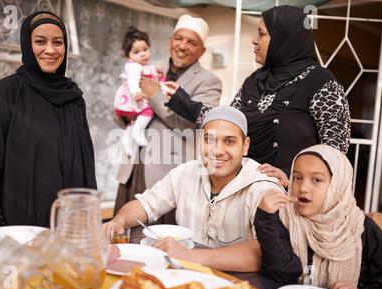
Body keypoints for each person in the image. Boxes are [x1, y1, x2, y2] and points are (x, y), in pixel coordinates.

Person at [164, 5, 350, 188]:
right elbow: (228, 122)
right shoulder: (254, 81)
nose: (254, 40)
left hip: (292, 198)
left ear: (283, 38)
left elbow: (336, 150)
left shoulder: (319, 81)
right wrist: (179, 99)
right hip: (246, 191)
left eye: (261, 34)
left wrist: (291, 175)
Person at [105, 106, 284, 272]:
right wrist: (119, 221)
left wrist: (189, 256)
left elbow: (267, 252)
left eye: (229, 141)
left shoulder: (264, 187)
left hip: (238, 285)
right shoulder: (186, 172)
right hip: (185, 276)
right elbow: (145, 204)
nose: (217, 150)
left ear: (245, 146)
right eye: (209, 140)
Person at [0, 11, 97, 231]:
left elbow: (86, 168)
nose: (50, 50)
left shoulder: (74, 99)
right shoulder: (7, 93)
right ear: (27, 45)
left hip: (68, 231)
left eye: (58, 42)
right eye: (40, 41)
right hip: (17, 230)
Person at [113, 15, 222, 223]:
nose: (182, 46)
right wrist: (123, 111)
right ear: (170, 41)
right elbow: (124, 110)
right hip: (132, 167)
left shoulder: (209, 82)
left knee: (157, 242)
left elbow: (194, 125)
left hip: (167, 175)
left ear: (202, 50)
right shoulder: (149, 66)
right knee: (123, 234)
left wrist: (155, 96)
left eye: (192, 42)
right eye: (178, 39)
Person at [255, 144, 382, 289]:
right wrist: (264, 220)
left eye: (316, 179)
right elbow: (284, 271)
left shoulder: (363, 228)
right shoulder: (285, 218)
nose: (303, 187)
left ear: (338, 184)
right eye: (297, 178)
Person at [114, 26, 165, 156]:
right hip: (135, 97)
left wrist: (159, 75)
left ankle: (127, 138)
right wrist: (136, 91)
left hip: (138, 98)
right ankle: (137, 131)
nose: (142, 54)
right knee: (148, 111)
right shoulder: (134, 67)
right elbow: (132, 81)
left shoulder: (146, 66)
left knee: (134, 120)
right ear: (128, 56)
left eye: (145, 49)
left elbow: (156, 80)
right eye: (136, 52)